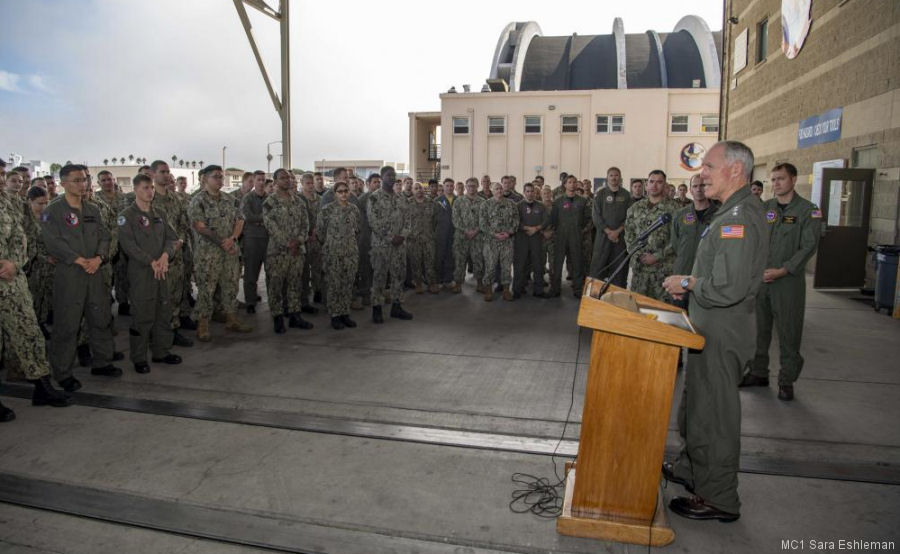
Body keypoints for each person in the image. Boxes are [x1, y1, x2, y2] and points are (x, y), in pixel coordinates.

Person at [662, 140, 767, 523]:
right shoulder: (730, 212)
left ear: (735, 170)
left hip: (723, 330)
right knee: (697, 406)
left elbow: (729, 286)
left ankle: (719, 496)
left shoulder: (740, 218)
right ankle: (694, 470)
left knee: (716, 415)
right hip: (708, 327)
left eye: (709, 166)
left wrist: (688, 284)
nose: (701, 173)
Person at [740, 163, 822, 401]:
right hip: (762, 280)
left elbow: (808, 246)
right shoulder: (765, 209)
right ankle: (758, 372)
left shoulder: (808, 211)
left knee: (788, 332)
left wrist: (783, 270)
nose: (775, 184)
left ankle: (787, 380)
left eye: (781, 179)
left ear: (794, 179)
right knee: (759, 330)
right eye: (772, 180)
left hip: (788, 282)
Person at [41, 164, 121, 392]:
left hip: (94, 272)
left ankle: (103, 362)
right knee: (67, 325)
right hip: (70, 274)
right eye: (76, 180)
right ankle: (63, 373)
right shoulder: (53, 211)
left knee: (101, 318)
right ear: (63, 183)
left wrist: (99, 258)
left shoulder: (92, 210)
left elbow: (105, 237)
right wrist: (76, 259)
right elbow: (51, 241)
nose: (82, 183)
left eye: (84, 179)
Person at [0, 178, 70, 418]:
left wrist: (14, 263)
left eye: (1, 173)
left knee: (30, 333)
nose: (1, 179)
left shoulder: (7, 203)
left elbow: (21, 236)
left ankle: (42, 387)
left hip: (11, 282)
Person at [117, 174, 182, 374]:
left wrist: (164, 256)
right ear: (135, 189)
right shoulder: (126, 216)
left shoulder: (159, 213)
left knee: (163, 312)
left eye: (151, 188)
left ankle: (161, 351)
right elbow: (128, 245)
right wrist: (150, 261)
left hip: (161, 270)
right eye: (145, 187)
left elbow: (173, 239)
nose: (150, 191)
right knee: (142, 316)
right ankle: (139, 357)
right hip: (141, 272)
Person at [189, 165, 253, 341]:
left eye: (221, 176)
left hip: (230, 251)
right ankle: (202, 325)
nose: (220, 180)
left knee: (231, 286)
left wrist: (232, 238)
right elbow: (199, 227)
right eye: (215, 176)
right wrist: (221, 242)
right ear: (205, 179)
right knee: (206, 290)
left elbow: (240, 220)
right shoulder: (198, 201)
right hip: (208, 254)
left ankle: (231, 319)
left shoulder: (229, 199)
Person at [263, 168, 312, 334]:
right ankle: (277, 317)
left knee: (295, 284)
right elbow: (271, 226)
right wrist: (287, 243)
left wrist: (298, 241)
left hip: (297, 251)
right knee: (276, 286)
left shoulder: (299, 201)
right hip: (277, 252)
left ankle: (294, 316)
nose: (287, 181)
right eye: (282, 178)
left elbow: (306, 224)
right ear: (275, 181)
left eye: (289, 178)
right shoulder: (270, 202)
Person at [150, 161, 194, 347]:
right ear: (152, 174)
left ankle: (173, 329)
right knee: (156, 298)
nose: (167, 175)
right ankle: (156, 333)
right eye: (162, 172)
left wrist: (180, 243)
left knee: (175, 295)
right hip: (155, 258)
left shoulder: (176, 199)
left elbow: (184, 224)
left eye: (168, 172)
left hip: (175, 255)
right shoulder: (147, 199)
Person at [368, 166, 413, 323]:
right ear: (381, 177)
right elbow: (373, 222)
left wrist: (403, 235)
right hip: (382, 246)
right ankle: (377, 308)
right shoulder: (374, 198)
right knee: (379, 277)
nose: (392, 178)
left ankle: (396, 307)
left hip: (399, 246)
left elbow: (408, 220)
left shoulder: (401, 198)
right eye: (388, 175)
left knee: (398, 276)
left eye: (393, 175)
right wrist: (390, 237)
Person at [625, 170, 678, 301]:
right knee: (637, 308)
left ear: (665, 185)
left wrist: (656, 256)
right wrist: (637, 255)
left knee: (662, 311)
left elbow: (678, 239)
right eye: (651, 182)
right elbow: (628, 235)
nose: (655, 185)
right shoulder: (635, 208)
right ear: (646, 184)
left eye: (659, 182)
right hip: (640, 271)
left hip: (663, 271)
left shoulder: (675, 209)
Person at [671, 174, 718, 309]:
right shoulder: (680, 214)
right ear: (690, 190)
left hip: (706, 277)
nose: (699, 189)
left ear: (708, 187)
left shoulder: (719, 215)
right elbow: (675, 243)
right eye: (695, 186)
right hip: (682, 272)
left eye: (702, 185)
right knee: (680, 314)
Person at [317, 181, 360, 330]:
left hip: (350, 253)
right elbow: (320, 232)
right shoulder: (327, 210)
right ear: (334, 193)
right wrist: (332, 243)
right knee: (334, 285)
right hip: (333, 253)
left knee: (348, 284)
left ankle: (345, 313)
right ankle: (335, 315)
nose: (343, 194)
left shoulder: (354, 209)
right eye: (340, 191)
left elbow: (357, 229)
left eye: (345, 191)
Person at [589, 167, 633, 286]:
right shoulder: (600, 194)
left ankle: (616, 297)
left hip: (620, 238)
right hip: (603, 237)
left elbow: (630, 217)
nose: (614, 177)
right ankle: (594, 296)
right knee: (598, 267)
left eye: (616, 175)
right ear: (607, 178)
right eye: (611, 175)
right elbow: (596, 216)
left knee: (619, 267)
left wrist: (618, 231)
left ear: (620, 177)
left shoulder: (626, 195)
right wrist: (608, 232)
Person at [547, 175, 588, 297]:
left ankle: (578, 289)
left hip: (576, 237)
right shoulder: (558, 201)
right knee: (557, 263)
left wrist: (582, 231)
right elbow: (553, 220)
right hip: (560, 237)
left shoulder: (582, 201)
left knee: (577, 263)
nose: (572, 184)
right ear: (565, 184)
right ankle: (555, 289)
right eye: (569, 182)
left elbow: (587, 219)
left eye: (574, 182)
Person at [480, 182, 519, 301]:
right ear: (492, 190)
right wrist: (494, 234)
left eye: (501, 188)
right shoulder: (485, 204)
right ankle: (488, 291)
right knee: (490, 267)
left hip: (507, 241)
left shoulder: (511, 204)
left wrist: (509, 232)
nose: (499, 190)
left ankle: (506, 290)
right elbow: (482, 223)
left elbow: (516, 221)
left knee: (506, 267)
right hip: (491, 242)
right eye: (496, 188)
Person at [25, 186, 54, 332]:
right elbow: (27, 247)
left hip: (48, 266)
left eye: (46, 203)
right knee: (34, 297)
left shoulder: (46, 217)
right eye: (39, 203)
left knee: (45, 296)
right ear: (30, 201)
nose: (43, 206)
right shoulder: (25, 220)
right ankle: (35, 326)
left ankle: (42, 322)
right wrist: (44, 257)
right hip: (33, 266)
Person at [512, 182, 548, 298]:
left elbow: (546, 221)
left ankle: (538, 290)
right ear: (524, 192)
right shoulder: (518, 206)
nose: (530, 193)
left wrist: (537, 228)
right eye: (527, 191)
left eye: (532, 191)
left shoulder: (541, 206)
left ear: (535, 193)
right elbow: (515, 221)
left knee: (538, 265)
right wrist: (525, 228)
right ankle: (517, 290)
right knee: (520, 265)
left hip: (536, 239)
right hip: (522, 239)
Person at [240, 171, 268, 314]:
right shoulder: (247, 198)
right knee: (251, 272)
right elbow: (247, 216)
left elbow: (275, 216)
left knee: (271, 273)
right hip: (252, 240)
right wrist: (263, 220)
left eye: (263, 180)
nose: (261, 182)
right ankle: (250, 301)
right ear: (254, 182)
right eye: (258, 180)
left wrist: (260, 221)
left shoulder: (270, 199)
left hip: (268, 240)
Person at [450, 178, 484, 293]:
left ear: (478, 186)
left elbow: (485, 219)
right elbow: (455, 218)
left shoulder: (483, 202)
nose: (471, 188)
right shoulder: (459, 201)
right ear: (465, 187)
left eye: (474, 186)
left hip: (478, 237)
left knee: (478, 260)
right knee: (460, 261)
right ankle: (458, 283)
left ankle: (480, 283)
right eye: (469, 186)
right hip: (461, 237)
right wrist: (466, 231)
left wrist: (476, 231)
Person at [408, 182, 440, 294]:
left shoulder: (432, 203)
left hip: (429, 238)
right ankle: (418, 284)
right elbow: (404, 221)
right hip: (414, 239)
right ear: (412, 190)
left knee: (430, 262)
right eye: (416, 188)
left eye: (421, 188)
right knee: (415, 262)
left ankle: (431, 283)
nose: (419, 190)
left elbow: (436, 220)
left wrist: (433, 233)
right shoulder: (408, 203)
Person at [353, 173, 379, 308]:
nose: (378, 184)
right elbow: (361, 221)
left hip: (380, 240)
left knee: (378, 268)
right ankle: (365, 294)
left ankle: (377, 293)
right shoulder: (363, 199)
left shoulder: (382, 198)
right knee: (365, 267)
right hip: (366, 238)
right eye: (375, 182)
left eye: (379, 182)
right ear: (368, 184)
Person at [299, 173, 324, 310]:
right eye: (307, 183)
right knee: (303, 270)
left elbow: (322, 217)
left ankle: (317, 291)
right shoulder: (297, 199)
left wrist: (316, 231)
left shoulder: (319, 200)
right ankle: (303, 297)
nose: (310, 186)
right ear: (302, 183)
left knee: (317, 267)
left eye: (311, 183)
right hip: (302, 239)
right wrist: (305, 234)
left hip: (316, 238)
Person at [433, 177, 456, 287]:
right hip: (440, 233)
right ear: (443, 187)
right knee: (439, 256)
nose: (450, 188)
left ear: (454, 187)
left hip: (454, 233)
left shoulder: (459, 200)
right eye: (447, 185)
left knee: (451, 256)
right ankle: (438, 280)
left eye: (451, 186)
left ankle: (448, 279)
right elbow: (432, 219)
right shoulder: (437, 201)